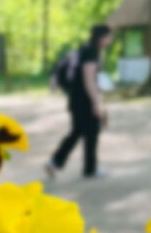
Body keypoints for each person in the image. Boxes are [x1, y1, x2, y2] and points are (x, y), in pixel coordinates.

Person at [46, 24, 113, 179]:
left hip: (77, 99)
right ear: (103, 37)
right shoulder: (91, 53)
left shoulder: (85, 50)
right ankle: (85, 168)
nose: (110, 40)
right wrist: (96, 104)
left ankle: (60, 163)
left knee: (81, 132)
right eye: (109, 37)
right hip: (84, 100)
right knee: (88, 132)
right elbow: (88, 79)